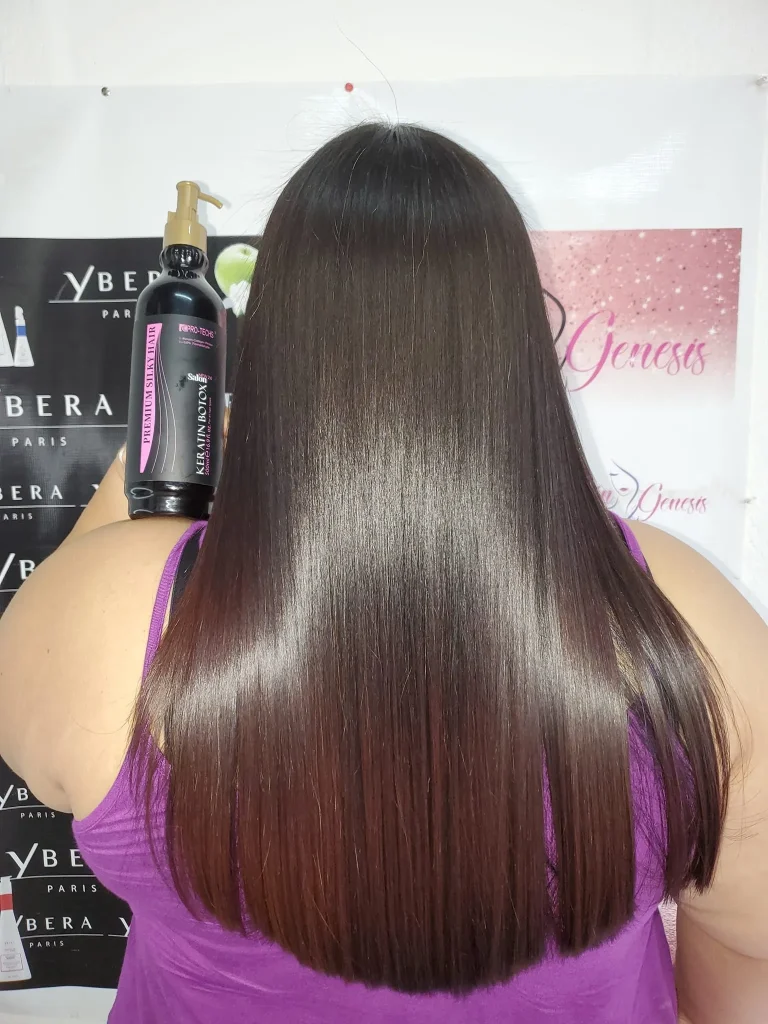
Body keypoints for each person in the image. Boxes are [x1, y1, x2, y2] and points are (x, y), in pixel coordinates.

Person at [0, 123, 766, 1024]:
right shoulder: (685, 617)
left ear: (271, 343)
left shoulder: (96, 621)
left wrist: (189, 420)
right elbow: (750, 941)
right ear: (519, 342)